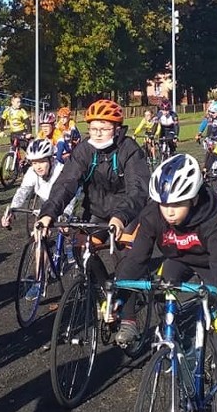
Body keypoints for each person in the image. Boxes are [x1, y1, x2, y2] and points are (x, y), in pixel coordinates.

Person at [114, 154, 217, 412]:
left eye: (177, 205)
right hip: (176, 261)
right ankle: (177, 353)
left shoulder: (210, 216)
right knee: (160, 288)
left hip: (211, 264)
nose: (169, 212)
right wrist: (118, 292)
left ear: (194, 198)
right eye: (163, 204)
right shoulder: (154, 215)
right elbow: (136, 258)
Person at [36, 99, 150, 285]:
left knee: (125, 259)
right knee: (81, 251)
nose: (97, 134)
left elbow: (138, 189)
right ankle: (104, 291)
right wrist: (48, 213)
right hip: (97, 211)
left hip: (127, 213)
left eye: (103, 129)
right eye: (93, 128)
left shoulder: (129, 149)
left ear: (117, 128)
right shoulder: (84, 150)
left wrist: (121, 217)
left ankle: (127, 305)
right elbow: (66, 183)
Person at [1, 138, 77, 297]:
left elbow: (71, 197)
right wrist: (12, 210)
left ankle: (70, 244)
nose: (38, 166)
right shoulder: (31, 172)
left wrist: (65, 215)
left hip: (65, 201)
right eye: (34, 162)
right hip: (46, 204)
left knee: (66, 227)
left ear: (51, 159)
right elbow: (23, 191)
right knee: (39, 239)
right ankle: (39, 281)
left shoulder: (62, 171)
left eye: (42, 161)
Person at [196, 100, 217, 173]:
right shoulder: (210, 117)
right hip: (215, 133)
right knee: (210, 149)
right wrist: (199, 133)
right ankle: (205, 169)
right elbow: (204, 123)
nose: (211, 114)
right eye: (210, 112)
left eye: (213, 112)